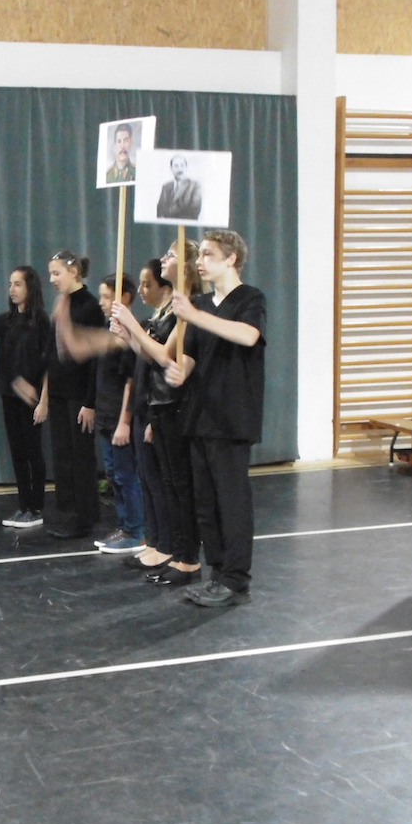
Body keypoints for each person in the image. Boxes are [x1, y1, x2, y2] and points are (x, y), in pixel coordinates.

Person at [166, 230, 266, 607]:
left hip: (232, 416)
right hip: (200, 414)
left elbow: (248, 336)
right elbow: (191, 354)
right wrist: (181, 370)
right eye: (200, 255)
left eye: (208, 254)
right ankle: (217, 573)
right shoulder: (201, 303)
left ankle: (236, 579)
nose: (200, 261)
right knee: (206, 503)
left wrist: (195, 316)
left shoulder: (250, 299)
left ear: (231, 259)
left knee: (231, 502)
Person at [111, 241, 204, 587]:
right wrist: (129, 335)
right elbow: (150, 355)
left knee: (179, 485)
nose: (164, 258)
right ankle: (176, 553)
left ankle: (187, 558)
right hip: (159, 403)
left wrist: (132, 325)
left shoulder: (189, 307)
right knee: (167, 483)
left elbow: (166, 356)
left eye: (171, 255)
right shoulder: (168, 310)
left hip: (178, 405)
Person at [0, 266, 51, 528]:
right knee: (17, 452)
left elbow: (49, 364)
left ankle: (36, 507)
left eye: (18, 284)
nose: (12, 289)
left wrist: (44, 401)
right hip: (9, 394)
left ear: (30, 287)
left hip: (32, 398)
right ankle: (24, 505)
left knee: (32, 451)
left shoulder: (41, 322)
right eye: (10, 284)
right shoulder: (7, 320)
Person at [45, 250, 104, 539]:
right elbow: (52, 352)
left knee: (81, 458)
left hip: (79, 394)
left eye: (56, 273)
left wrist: (89, 402)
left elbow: (94, 358)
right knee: (62, 456)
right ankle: (67, 512)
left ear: (73, 272)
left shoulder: (89, 306)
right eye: (50, 274)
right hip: (60, 391)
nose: (52, 279)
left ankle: (85, 517)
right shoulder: (62, 304)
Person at [92, 273, 146, 555]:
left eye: (106, 296)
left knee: (126, 475)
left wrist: (124, 422)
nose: (102, 302)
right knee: (113, 474)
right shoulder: (108, 329)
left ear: (123, 297)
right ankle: (125, 525)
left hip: (119, 417)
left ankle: (136, 532)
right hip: (105, 414)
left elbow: (131, 381)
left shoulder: (131, 332)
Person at [156, 155, 202, 220]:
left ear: (186, 168)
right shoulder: (166, 187)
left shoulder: (194, 185)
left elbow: (194, 210)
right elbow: (160, 209)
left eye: (182, 165)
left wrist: (169, 214)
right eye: (176, 166)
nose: (180, 169)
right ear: (171, 169)